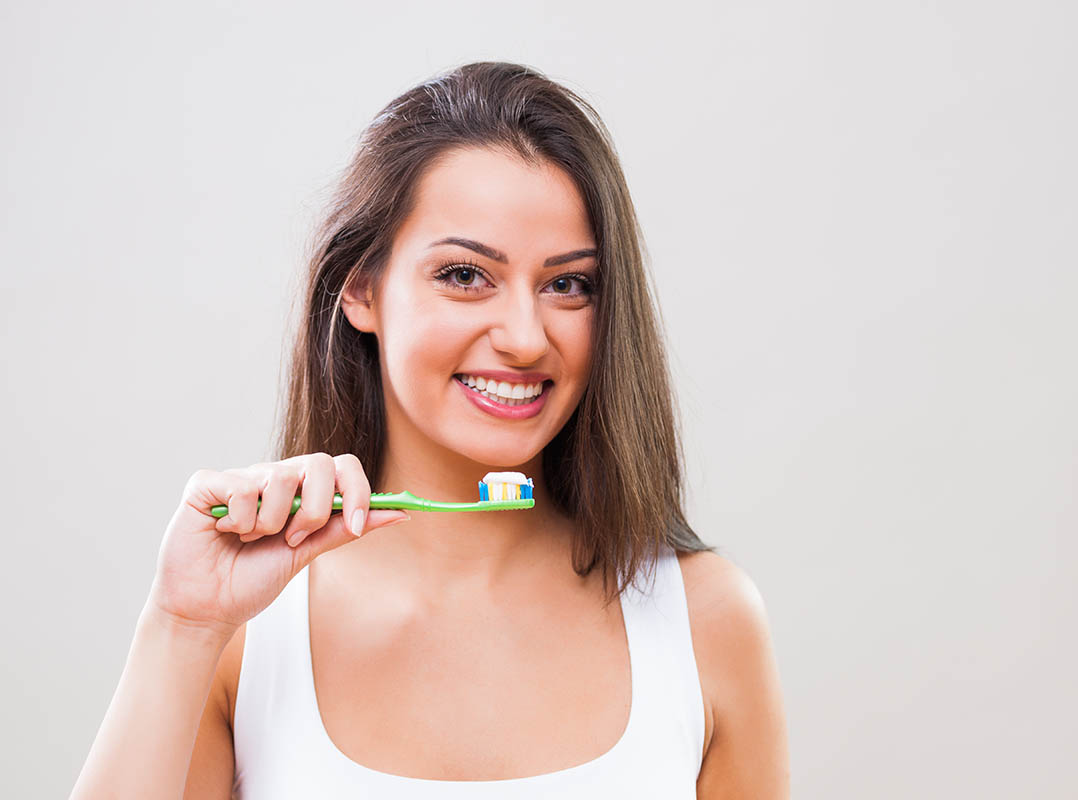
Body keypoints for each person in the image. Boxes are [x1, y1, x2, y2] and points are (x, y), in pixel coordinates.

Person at [70, 61, 789, 799]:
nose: (524, 337)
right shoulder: (245, 631)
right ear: (361, 287)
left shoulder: (706, 621)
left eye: (567, 284)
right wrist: (181, 626)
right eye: (465, 275)